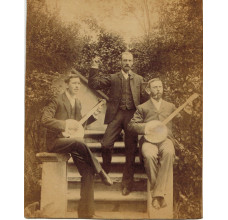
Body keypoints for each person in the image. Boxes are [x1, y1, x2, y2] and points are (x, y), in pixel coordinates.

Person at [41, 74, 113, 218]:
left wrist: (94, 116)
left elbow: (79, 125)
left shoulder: (78, 102)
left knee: (88, 172)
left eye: (78, 84)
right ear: (67, 84)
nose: (76, 86)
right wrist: (65, 124)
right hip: (56, 142)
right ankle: (101, 171)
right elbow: (45, 120)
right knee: (79, 142)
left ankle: (86, 213)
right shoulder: (57, 100)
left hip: (72, 142)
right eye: (73, 83)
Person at [128, 78, 192, 209]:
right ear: (148, 90)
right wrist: (147, 127)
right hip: (149, 141)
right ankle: (159, 195)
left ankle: (157, 195)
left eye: (160, 87)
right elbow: (131, 125)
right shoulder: (142, 107)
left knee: (169, 152)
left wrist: (187, 114)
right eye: (155, 87)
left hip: (165, 140)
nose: (158, 90)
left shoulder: (171, 106)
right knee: (149, 155)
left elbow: (184, 125)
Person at [88, 52, 144, 196]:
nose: (127, 62)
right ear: (121, 62)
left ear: (133, 62)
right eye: (125, 60)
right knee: (106, 144)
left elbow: (146, 98)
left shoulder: (139, 79)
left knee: (131, 151)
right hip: (116, 115)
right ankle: (106, 171)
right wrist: (94, 66)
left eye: (129, 60)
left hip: (132, 116)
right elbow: (94, 84)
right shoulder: (113, 78)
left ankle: (127, 184)